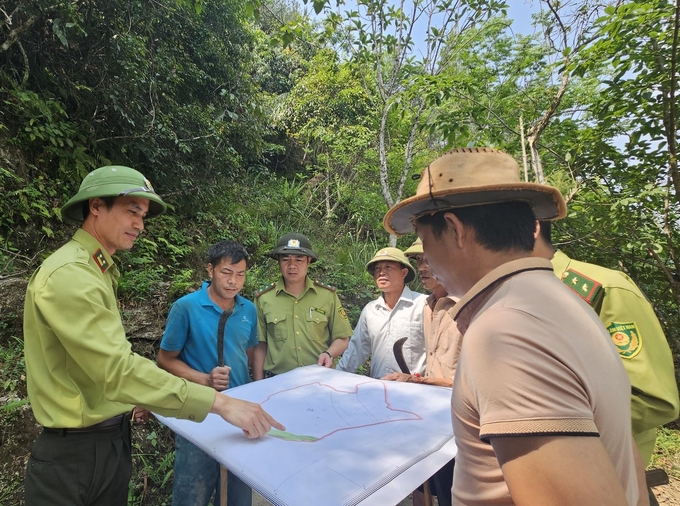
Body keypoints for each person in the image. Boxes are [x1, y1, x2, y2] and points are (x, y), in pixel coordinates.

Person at [383, 148, 645, 506]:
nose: (424, 257)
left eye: (423, 236)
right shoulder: (559, 303)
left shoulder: (507, 331)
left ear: (456, 230)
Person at [23, 166, 283, 506]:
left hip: (107, 442)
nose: (140, 225)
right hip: (76, 454)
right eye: (132, 211)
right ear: (96, 207)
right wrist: (219, 403)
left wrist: (140, 397)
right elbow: (118, 370)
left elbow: (99, 364)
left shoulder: (97, 270)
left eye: (143, 216)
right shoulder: (72, 274)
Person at [535, 220, 679, 504]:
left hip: (611, 481)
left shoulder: (602, 289)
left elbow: (653, 400)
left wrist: (543, 431)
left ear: (531, 228)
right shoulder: (508, 297)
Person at [158, 240, 258, 506]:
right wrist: (205, 379)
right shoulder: (186, 307)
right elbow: (165, 360)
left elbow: (247, 352)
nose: (233, 281)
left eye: (240, 274)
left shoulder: (248, 309)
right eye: (226, 272)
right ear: (210, 270)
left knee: (239, 492)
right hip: (197, 413)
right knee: (193, 491)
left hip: (239, 411)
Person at [382, 238, 460, 506]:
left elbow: (470, 378)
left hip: (463, 421)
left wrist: (415, 380)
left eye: (429, 259)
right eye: (419, 260)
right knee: (434, 487)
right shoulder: (428, 306)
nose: (423, 267)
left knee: (457, 493)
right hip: (433, 417)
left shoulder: (467, 305)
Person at [253, 233, 353, 379]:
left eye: (299, 260)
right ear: (279, 262)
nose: (292, 265)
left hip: (320, 379)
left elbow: (342, 339)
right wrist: (258, 385)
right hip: (277, 381)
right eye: (286, 259)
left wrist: (328, 353)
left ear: (308, 261)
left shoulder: (327, 296)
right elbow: (260, 346)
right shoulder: (264, 299)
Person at [336, 247, 427, 378]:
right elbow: (356, 350)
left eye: (388, 267)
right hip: (379, 390)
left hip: (415, 391)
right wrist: (335, 376)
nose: (381, 273)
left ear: (403, 273)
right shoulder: (370, 310)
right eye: (377, 269)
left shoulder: (422, 304)